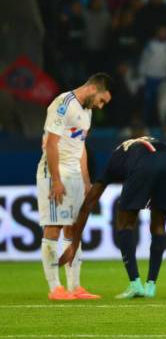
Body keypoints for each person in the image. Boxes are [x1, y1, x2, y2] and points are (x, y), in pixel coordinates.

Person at [59, 137, 166, 299]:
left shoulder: (113, 163)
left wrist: (74, 244)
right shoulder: (142, 144)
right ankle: (151, 286)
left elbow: (89, 203)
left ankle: (135, 284)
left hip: (144, 165)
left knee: (124, 223)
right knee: (158, 226)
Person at [37, 73, 111, 301]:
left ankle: (75, 287)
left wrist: (86, 179)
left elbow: (81, 146)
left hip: (75, 175)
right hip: (55, 171)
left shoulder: (86, 112)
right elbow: (50, 144)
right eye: (101, 101)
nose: (100, 106)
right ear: (93, 89)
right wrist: (56, 180)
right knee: (54, 226)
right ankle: (54, 288)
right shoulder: (63, 104)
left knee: (73, 228)